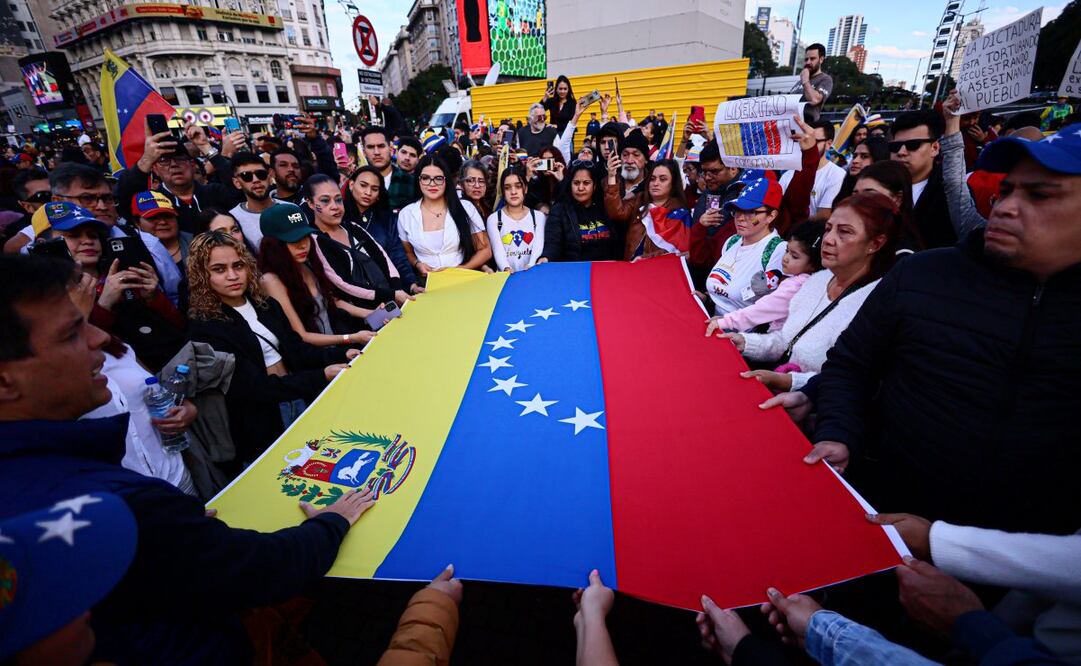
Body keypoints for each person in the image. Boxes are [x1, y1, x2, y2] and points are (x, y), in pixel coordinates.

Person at [0, 253, 377, 664]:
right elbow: (262, 570)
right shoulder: (124, 504)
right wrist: (332, 521)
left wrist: (180, 536)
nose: (97, 341)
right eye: (72, 333)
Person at [807, 126, 1081, 536]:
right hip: (881, 517)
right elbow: (850, 366)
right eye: (1007, 191)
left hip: (1027, 564)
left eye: (1040, 196)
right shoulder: (922, 274)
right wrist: (838, 432)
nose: (1004, 207)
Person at [186, 231, 354, 461]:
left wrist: (344, 353)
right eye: (219, 269)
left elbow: (298, 350)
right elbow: (253, 387)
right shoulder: (206, 327)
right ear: (202, 275)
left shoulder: (266, 305)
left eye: (238, 265)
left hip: (300, 398)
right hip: (263, 422)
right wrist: (321, 375)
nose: (233, 275)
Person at [719, 192, 901, 393]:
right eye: (828, 229)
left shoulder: (874, 304)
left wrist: (789, 382)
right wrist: (745, 342)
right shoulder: (817, 281)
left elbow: (851, 381)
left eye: (845, 232)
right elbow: (786, 341)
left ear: (875, 244)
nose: (829, 239)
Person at [40, 202, 187, 373]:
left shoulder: (124, 271)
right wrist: (104, 305)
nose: (87, 241)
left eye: (93, 235)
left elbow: (179, 327)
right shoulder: (47, 293)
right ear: (45, 244)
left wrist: (154, 298)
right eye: (73, 235)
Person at [257, 203, 376, 350]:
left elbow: (332, 301)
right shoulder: (271, 281)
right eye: (293, 240)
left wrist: (372, 314)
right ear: (274, 245)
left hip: (340, 349)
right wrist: (350, 338)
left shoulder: (307, 264)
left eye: (305, 237)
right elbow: (302, 336)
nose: (303, 245)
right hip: (320, 361)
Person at [304, 177, 411, 318]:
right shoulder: (315, 240)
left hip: (390, 303)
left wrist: (397, 289)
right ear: (310, 203)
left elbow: (384, 259)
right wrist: (392, 294)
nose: (335, 206)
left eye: (338, 199)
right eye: (325, 200)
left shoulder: (353, 228)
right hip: (357, 318)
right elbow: (342, 283)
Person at [117, 122, 242, 233]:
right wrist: (147, 159)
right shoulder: (152, 202)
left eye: (180, 159)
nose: (173, 165)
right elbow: (124, 199)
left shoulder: (215, 192)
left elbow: (240, 186)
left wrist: (205, 146)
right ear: (155, 169)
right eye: (164, 160)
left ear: (193, 164)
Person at [705, 220, 824, 334]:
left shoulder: (795, 286)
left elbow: (762, 310)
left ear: (814, 264)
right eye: (787, 251)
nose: (786, 258)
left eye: (795, 256)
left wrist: (726, 321)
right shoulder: (809, 282)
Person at [397, 155, 492, 279]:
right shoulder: (406, 214)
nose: (432, 184)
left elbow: (485, 250)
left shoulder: (465, 207)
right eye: (425, 178)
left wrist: (459, 270)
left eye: (438, 178)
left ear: (446, 180)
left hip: (463, 281)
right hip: (426, 285)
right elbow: (408, 252)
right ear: (418, 180)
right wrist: (417, 264)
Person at [344, 165, 421, 294]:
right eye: (363, 185)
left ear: (379, 194)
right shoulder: (338, 217)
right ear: (351, 185)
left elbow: (398, 256)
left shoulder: (387, 219)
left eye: (374, 189)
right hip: (350, 290)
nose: (368, 192)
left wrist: (412, 284)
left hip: (386, 289)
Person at [889, 109, 954, 248]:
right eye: (895, 146)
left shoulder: (949, 195)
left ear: (935, 148)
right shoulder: (873, 185)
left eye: (913, 145)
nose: (901, 152)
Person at [539, 160, 616, 262]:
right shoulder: (559, 211)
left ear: (594, 186)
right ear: (569, 184)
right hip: (574, 272)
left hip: (606, 271)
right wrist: (546, 257)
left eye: (586, 183)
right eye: (576, 183)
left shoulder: (606, 207)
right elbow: (553, 244)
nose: (580, 188)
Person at [779, 119, 846, 221]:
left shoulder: (838, 175)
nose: (807, 145)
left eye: (814, 141)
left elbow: (824, 216)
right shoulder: (788, 175)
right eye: (804, 140)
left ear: (828, 144)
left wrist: (792, 224)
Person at [487, 166, 547, 272]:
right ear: (503, 191)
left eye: (518, 186)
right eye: (507, 187)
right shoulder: (494, 219)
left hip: (532, 275)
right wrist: (506, 268)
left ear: (526, 188)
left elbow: (538, 246)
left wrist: (531, 265)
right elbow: (498, 250)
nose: (513, 192)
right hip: (505, 279)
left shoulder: (538, 217)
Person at [228, 151, 283, 252]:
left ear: (269, 177)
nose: (256, 180)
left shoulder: (292, 209)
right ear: (237, 183)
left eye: (261, 174)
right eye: (246, 176)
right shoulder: (232, 219)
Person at [132, 191, 193, 272]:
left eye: (168, 216)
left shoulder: (197, 244)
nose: (163, 222)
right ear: (137, 223)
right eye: (153, 218)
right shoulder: (132, 252)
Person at [361, 126, 415, 212]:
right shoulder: (357, 186)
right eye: (370, 147)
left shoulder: (411, 182)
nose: (376, 152)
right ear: (364, 152)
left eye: (381, 146)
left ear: (390, 149)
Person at [835, 135, 890, 204]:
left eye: (864, 156)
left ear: (878, 159)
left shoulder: (884, 197)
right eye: (854, 156)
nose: (855, 161)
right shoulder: (844, 189)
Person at [791, 43, 833, 122]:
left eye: (812, 59)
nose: (808, 62)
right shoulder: (800, 81)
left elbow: (814, 100)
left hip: (808, 127)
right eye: (806, 59)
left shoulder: (825, 79)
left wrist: (805, 81)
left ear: (821, 59)